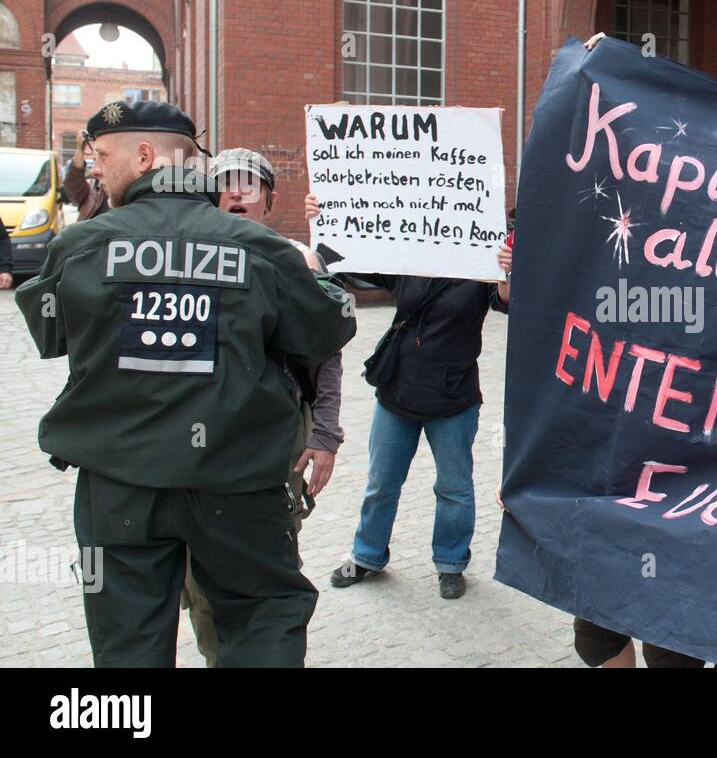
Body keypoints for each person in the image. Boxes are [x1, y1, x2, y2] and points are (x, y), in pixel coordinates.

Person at [15, 100, 357, 667]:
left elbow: (50, 333)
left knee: (127, 638)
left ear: (145, 156)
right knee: (260, 619)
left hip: (120, 487)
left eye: (99, 156)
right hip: (237, 482)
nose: (93, 170)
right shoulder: (262, 250)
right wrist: (309, 276)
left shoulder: (80, 247)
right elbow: (328, 327)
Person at [168, 147, 348, 667]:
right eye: (227, 182)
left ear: (269, 197)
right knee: (196, 575)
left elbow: (325, 359)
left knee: (266, 561)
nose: (238, 191)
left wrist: (326, 436)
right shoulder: (183, 253)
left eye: (251, 183)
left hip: (273, 442)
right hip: (192, 444)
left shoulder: (297, 259)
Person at [306, 193, 511, 600]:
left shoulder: (481, 261)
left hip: (453, 396)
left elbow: (508, 303)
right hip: (398, 390)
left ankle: (451, 562)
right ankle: (367, 555)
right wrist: (328, 219)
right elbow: (355, 259)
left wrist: (505, 271)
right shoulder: (410, 251)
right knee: (381, 482)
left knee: (454, 487)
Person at [64, 132, 109, 222]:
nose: (94, 170)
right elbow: (74, 181)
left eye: (103, 159)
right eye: (96, 160)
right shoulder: (93, 188)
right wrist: (81, 148)